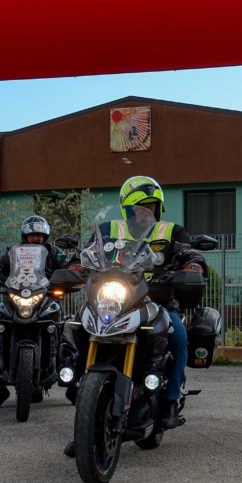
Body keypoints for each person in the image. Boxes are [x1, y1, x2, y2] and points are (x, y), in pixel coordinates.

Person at [62, 176, 206, 456]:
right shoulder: (108, 230)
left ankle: (171, 400)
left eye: (150, 207)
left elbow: (189, 253)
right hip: (111, 301)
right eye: (139, 207)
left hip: (157, 300)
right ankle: (79, 397)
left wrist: (193, 266)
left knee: (177, 335)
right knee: (75, 325)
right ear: (127, 209)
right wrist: (75, 267)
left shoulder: (171, 231)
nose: (145, 212)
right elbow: (86, 254)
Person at [0, 215, 69, 409]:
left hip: (45, 299)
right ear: (25, 236)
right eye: (32, 235)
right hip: (17, 297)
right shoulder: (13, 252)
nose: (36, 238)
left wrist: (70, 273)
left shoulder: (54, 252)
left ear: (45, 236)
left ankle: (73, 383)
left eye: (40, 235)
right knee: (1, 327)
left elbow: (66, 266)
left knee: (64, 329)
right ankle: (0, 386)